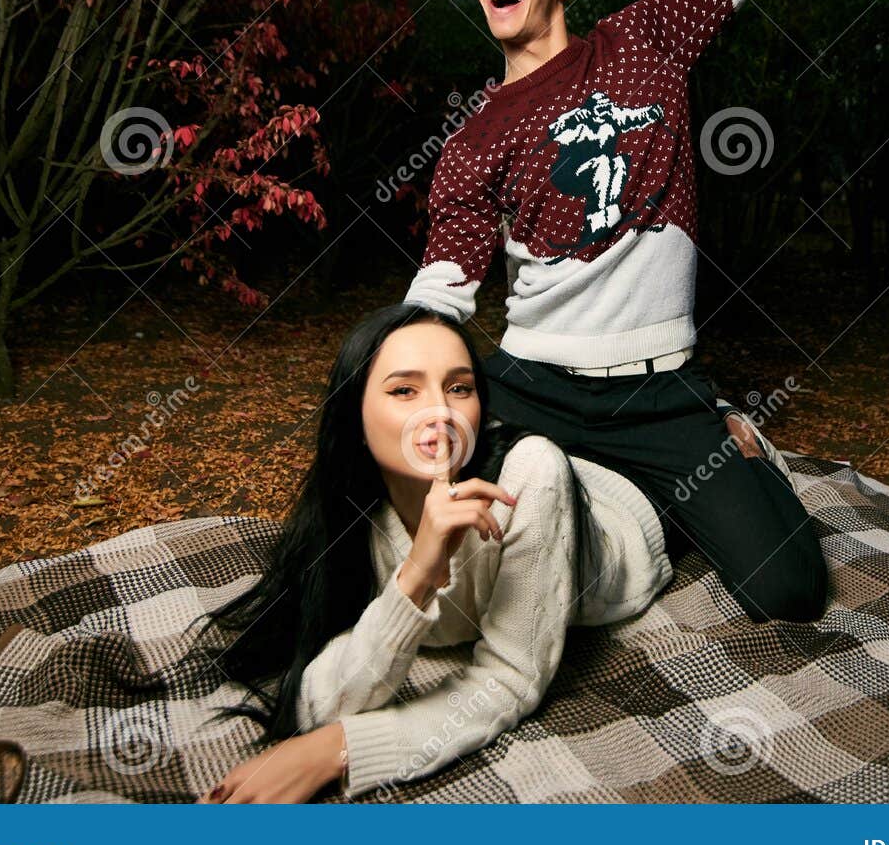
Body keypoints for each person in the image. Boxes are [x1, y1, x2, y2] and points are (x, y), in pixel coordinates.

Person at [403, 0, 826, 622]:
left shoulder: (641, 42)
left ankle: (732, 452)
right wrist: (408, 383)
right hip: (531, 390)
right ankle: (610, 506)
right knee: (469, 580)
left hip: (661, 393)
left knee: (791, 590)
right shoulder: (475, 138)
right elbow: (443, 292)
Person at [198, 303, 672, 802]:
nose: (440, 413)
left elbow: (513, 678)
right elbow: (323, 694)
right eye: (405, 390)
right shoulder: (353, 511)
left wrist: (339, 751)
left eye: (459, 388)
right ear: (355, 416)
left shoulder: (532, 476)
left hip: (631, 502)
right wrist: (419, 569)